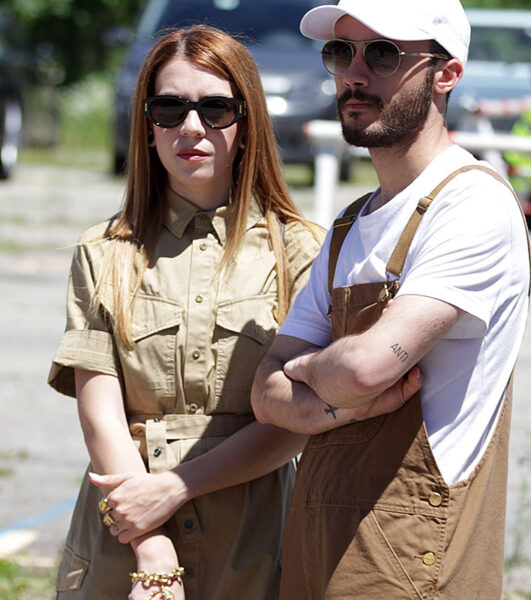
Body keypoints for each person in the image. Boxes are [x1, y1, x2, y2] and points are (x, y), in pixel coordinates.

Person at [251, 0, 531, 598]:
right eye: (339, 52)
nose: (354, 73)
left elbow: (364, 367)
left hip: (409, 564)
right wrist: (344, 397)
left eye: (382, 54)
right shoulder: (349, 227)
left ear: (446, 74)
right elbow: (264, 392)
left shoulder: (472, 205)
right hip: (317, 552)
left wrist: (311, 375)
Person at [48, 24, 324, 600]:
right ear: (147, 127)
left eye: (216, 109)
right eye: (169, 108)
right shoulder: (104, 252)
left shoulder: (302, 251)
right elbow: (101, 415)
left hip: (253, 540)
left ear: (247, 125)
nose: (191, 127)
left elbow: (292, 425)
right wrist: (150, 543)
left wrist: (175, 487)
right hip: (123, 532)